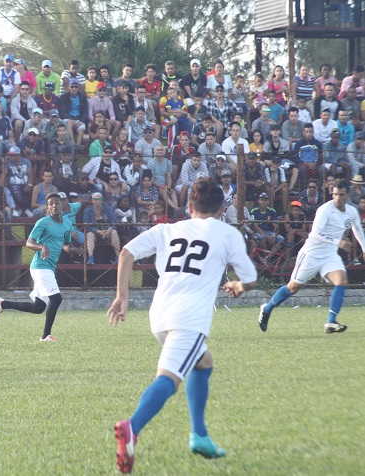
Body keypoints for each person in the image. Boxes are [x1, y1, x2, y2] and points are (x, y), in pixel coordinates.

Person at [107, 178, 257, 473]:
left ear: (189, 206)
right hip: (189, 319)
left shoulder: (167, 229)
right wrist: (240, 285)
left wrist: (122, 298)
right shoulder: (227, 233)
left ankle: (199, 436)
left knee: (203, 363)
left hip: (160, 313)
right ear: (222, 208)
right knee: (169, 378)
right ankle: (131, 427)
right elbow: (249, 277)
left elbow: (126, 252)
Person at [259, 181, 365, 334]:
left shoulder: (351, 212)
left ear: (346, 195)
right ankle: (267, 308)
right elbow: (315, 234)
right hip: (312, 253)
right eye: (335, 194)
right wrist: (339, 241)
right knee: (293, 287)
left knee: (341, 280)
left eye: (341, 195)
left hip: (329, 254)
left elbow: (358, 230)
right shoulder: (325, 210)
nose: (337, 198)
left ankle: (330, 321)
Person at [0, 193, 69, 342]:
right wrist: (41, 247)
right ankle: (46, 336)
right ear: (47, 207)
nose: (54, 205)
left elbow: (64, 242)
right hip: (40, 266)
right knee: (56, 299)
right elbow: (29, 243)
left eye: (57, 203)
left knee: (38, 308)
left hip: (50, 267)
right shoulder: (43, 222)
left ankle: (3, 304)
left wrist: (71, 249)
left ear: (62, 205)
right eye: (51, 203)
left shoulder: (66, 223)